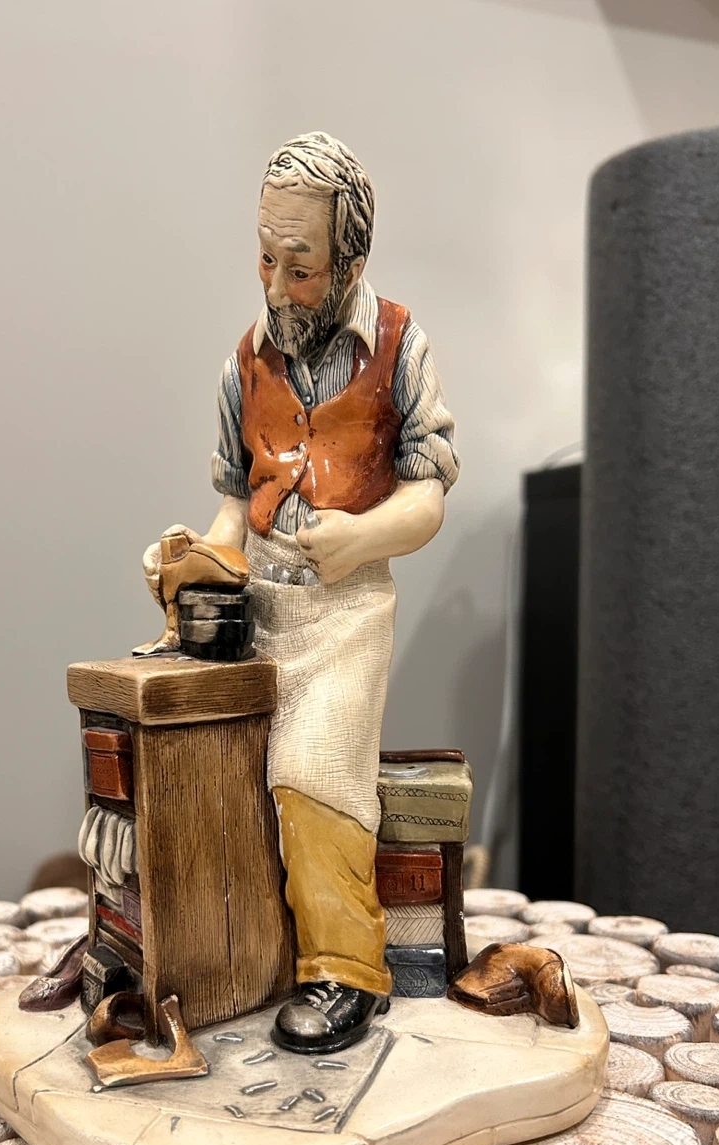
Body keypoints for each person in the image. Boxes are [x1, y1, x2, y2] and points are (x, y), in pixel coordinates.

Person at [144, 132, 459, 1054]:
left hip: (344, 614)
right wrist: (197, 561)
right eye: (265, 259)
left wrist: (363, 538)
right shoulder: (244, 360)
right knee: (215, 778)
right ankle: (232, 958)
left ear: (350, 262)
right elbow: (234, 508)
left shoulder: (399, 343)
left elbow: (428, 494)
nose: (277, 287)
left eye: (301, 267)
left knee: (315, 774)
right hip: (261, 613)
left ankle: (346, 969)